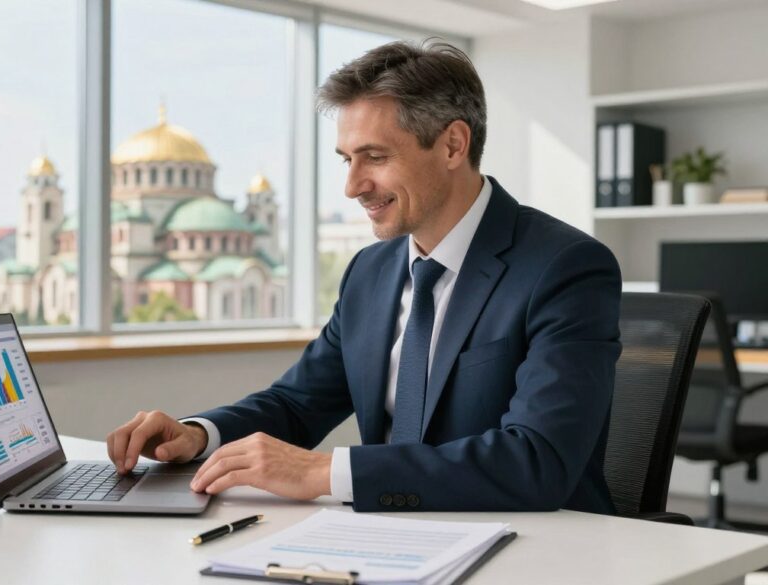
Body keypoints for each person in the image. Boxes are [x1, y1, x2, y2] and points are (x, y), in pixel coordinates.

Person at [106, 40, 622, 513]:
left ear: (452, 146)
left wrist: (322, 471)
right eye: (347, 160)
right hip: (392, 537)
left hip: (541, 547)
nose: (353, 186)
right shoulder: (371, 272)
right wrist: (199, 434)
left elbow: (537, 461)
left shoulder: (565, 267)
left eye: (375, 157)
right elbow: (298, 403)